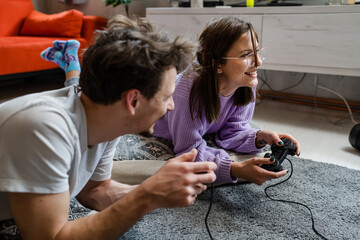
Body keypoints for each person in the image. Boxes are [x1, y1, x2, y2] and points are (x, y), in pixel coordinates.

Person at [0, 16, 217, 240]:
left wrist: (160, 188)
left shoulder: (105, 121)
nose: (171, 106)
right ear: (133, 101)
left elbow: (95, 191)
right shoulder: (43, 128)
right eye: (167, 97)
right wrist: (147, 195)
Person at [153, 16, 301, 186]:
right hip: (162, 128)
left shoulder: (245, 82)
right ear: (217, 64)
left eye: (258, 52)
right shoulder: (186, 93)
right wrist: (234, 169)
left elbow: (232, 131)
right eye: (246, 55)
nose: (258, 62)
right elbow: (187, 151)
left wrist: (260, 137)